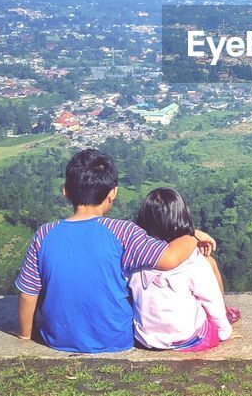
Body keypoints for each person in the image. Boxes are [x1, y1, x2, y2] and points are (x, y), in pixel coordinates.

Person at [13, 149, 216, 353]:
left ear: (65, 191)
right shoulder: (122, 232)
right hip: (116, 340)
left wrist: (24, 335)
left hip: (57, 339)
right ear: (113, 193)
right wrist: (191, 235)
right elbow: (170, 258)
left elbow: (27, 294)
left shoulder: (45, 234)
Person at [129, 187, 236, 351]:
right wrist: (224, 332)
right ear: (182, 216)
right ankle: (226, 316)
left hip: (146, 339)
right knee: (208, 271)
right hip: (188, 339)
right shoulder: (192, 261)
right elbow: (210, 298)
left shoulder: (136, 256)